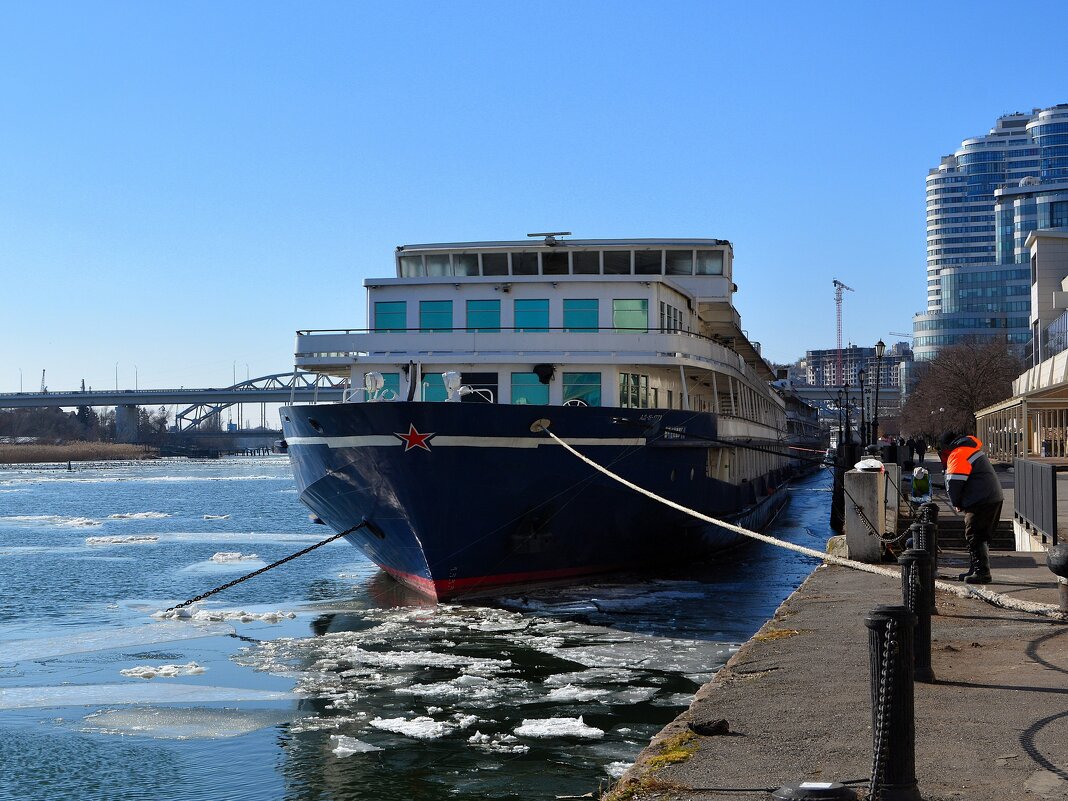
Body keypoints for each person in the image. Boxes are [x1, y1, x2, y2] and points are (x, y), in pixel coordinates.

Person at [939, 431, 1004, 584]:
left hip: (980, 500)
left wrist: (956, 502)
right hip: (991, 497)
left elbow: (954, 483)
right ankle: (975, 569)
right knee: (981, 536)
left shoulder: (958, 454)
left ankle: (982, 573)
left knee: (974, 535)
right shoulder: (971, 449)